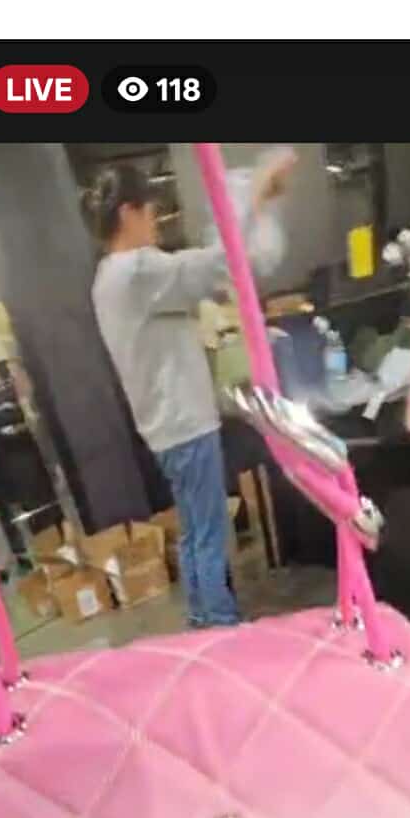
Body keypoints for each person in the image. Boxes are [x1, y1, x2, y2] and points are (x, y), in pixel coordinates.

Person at [89, 153, 294, 628]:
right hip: (183, 422)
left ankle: (203, 619)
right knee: (209, 531)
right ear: (129, 213)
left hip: (163, 425)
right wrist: (254, 198)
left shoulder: (108, 277)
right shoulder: (138, 271)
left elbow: (198, 277)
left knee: (195, 528)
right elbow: (219, 264)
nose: (155, 223)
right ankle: (220, 625)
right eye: (151, 212)